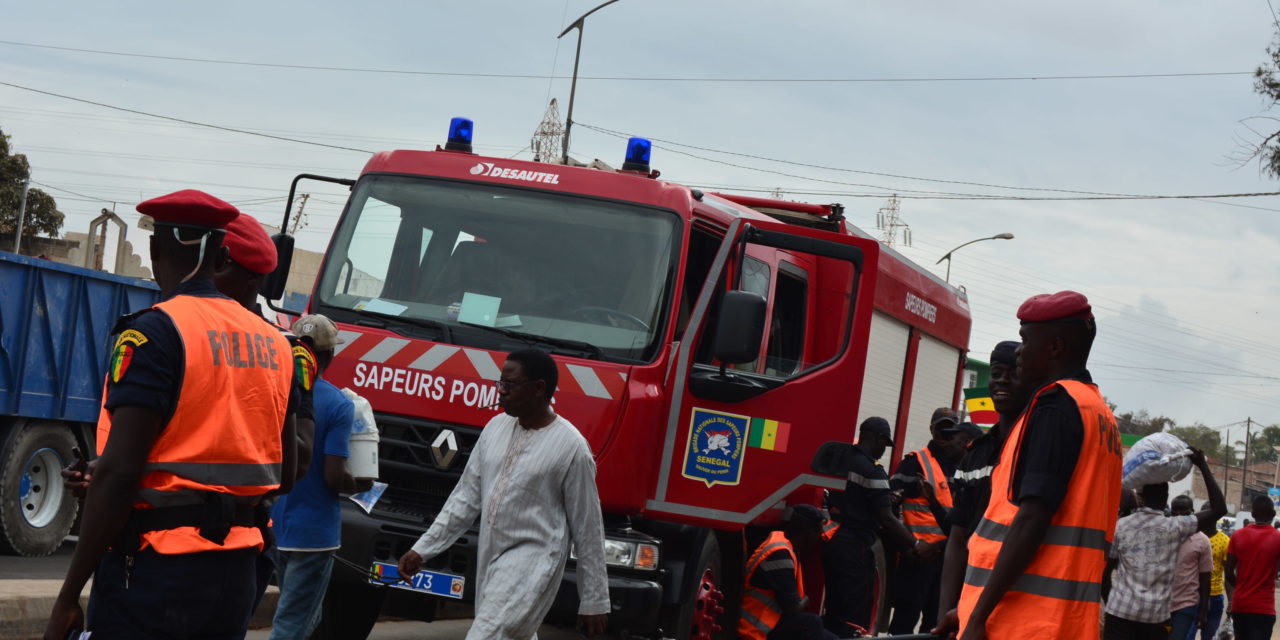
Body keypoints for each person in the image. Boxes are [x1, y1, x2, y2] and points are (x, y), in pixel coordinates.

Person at [44, 190, 297, 640]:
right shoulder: (278, 345)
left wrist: (67, 597)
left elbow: (121, 475)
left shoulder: (156, 331)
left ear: (155, 250)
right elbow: (288, 471)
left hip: (158, 572)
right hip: (238, 574)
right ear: (221, 254)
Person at [396, 348, 610, 640]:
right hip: (492, 557)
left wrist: (594, 600)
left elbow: (588, 528)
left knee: (486, 635)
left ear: (539, 388)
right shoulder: (494, 428)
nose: (501, 392)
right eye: (500, 383)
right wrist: (423, 549)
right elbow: (465, 498)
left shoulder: (572, 447)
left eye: (510, 385)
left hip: (534, 564)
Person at [950, 291, 1123, 640]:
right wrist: (965, 610)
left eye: (1025, 340)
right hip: (1061, 620)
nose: (1018, 351)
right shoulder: (1099, 412)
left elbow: (1031, 519)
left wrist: (978, 616)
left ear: (1055, 346)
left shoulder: (1055, 405)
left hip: (1021, 622)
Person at [267, 314, 371, 640]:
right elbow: (333, 476)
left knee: (303, 616)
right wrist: (360, 485)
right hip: (313, 536)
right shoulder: (340, 404)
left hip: (275, 526)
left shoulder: (274, 391)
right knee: (292, 625)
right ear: (330, 355)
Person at [934, 341, 1022, 635]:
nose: (1003, 381)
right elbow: (957, 540)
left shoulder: (1035, 447)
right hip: (968, 606)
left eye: (1014, 373)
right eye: (996, 373)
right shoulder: (976, 455)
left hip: (1015, 606)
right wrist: (944, 616)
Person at [823, 416, 933, 636]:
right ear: (878, 438)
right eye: (885, 443)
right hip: (858, 546)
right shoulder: (873, 471)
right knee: (855, 610)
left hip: (833, 539)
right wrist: (916, 544)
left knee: (834, 604)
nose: (884, 449)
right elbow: (887, 519)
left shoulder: (841, 461)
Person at [1102, 472, 1226, 640]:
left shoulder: (1122, 525)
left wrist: (1112, 603)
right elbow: (1219, 509)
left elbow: (1105, 572)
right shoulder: (1176, 528)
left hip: (1120, 612)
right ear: (1166, 498)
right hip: (1155, 617)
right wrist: (1202, 466)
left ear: (1141, 498)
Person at [887, 407, 970, 634]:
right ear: (931, 429)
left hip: (946, 557)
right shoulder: (914, 463)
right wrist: (906, 547)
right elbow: (889, 507)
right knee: (905, 618)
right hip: (918, 557)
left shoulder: (963, 465)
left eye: (951, 427)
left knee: (935, 621)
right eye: (941, 426)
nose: (946, 432)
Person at [739, 505, 838, 640]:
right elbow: (793, 608)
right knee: (811, 623)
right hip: (755, 630)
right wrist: (806, 599)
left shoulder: (784, 544)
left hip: (770, 623)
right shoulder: (780, 553)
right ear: (807, 531)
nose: (818, 538)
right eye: (817, 532)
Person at [1225, 495, 1280, 640]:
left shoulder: (1237, 536)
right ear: (1273, 515)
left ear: (1253, 514)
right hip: (1264, 607)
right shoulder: (1278, 538)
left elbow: (1229, 572)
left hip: (1241, 604)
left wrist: (1242, 586)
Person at [1168, 495, 1215, 640]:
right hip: (1159, 602)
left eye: (1184, 510)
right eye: (1176, 509)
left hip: (1186, 603)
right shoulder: (1163, 535)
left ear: (1192, 513)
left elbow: (1205, 577)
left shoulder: (1202, 541)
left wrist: (1204, 608)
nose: (1179, 514)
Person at [1197, 508, 1231, 640]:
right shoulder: (1192, 537)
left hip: (1215, 596)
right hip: (1192, 595)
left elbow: (1228, 573)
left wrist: (1231, 601)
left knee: (1209, 636)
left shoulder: (1225, 541)